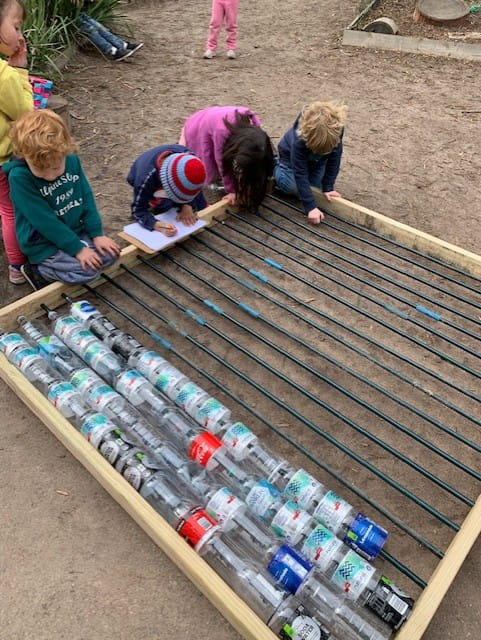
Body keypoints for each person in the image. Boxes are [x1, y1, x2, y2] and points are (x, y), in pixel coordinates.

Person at [4, 109, 120, 289]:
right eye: (40, 169)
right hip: (44, 243)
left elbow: (86, 197)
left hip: (73, 231)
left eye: (56, 168)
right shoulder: (20, 177)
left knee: (111, 253)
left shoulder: (72, 159)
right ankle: (37, 272)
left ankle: (70, 258)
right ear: (24, 155)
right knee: (87, 271)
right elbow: (45, 221)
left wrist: (97, 234)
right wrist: (78, 249)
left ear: (65, 150)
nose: (50, 176)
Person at [180, 105, 274, 211]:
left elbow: (258, 160)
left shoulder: (255, 131)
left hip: (212, 121)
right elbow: (222, 162)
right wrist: (232, 190)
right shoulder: (222, 132)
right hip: (195, 127)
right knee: (202, 171)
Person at [0, 0, 33, 284]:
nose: (20, 35)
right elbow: (25, 114)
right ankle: (17, 266)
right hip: (4, 160)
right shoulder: (4, 75)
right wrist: (20, 70)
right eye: (16, 26)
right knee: (12, 209)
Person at [274, 101, 347, 225]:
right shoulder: (299, 140)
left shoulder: (337, 131)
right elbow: (300, 173)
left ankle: (315, 171)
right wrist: (311, 207)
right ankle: (275, 167)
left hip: (316, 162)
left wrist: (328, 187)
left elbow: (335, 158)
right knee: (292, 187)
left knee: (315, 187)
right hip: (290, 162)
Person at [127, 145, 207, 237]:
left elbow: (195, 189)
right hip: (144, 180)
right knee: (164, 204)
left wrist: (187, 205)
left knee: (201, 205)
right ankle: (154, 201)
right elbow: (138, 211)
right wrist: (156, 225)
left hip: (168, 178)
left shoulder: (191, 161)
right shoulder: (145, 179)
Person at [72, 1, 143, 61]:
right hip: (71, 17)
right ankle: (112, 51)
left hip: (79, 14)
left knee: (98, 26)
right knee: (90, 28)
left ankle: (122, 45)